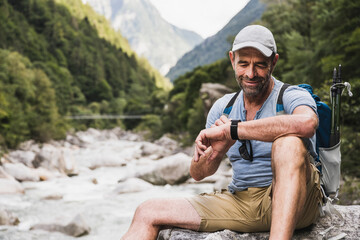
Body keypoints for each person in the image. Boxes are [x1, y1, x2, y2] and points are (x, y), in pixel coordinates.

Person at [122, 25, 322, 240]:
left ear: (274, 62)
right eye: (243, 64)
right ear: (232, 59)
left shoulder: (292, 95)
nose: (250, 73)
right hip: (240, 201)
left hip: (298, 202)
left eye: (260, 65)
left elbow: (308, 123)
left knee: (289, 143)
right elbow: (198, 174)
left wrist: (234, 130)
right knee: (147, 211)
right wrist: (218, 150)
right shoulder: (223, 107)